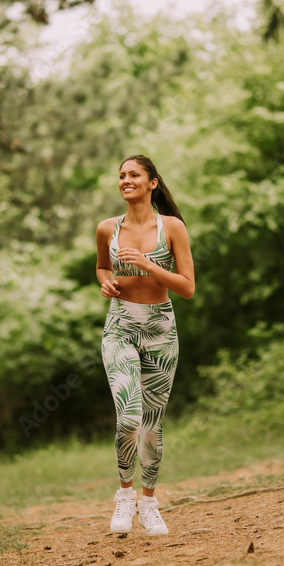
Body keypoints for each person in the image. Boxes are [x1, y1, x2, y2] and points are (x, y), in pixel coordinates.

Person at [94, 155, 195, 536]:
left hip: (161, 331)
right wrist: (106, 282)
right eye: (121, 175)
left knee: (152, 427)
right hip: (120, 327)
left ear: (152, 183)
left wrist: (150, 265)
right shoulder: (107, 228)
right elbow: (102, 267)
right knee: (129, 415)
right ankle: (124, 495)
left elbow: (187, 287)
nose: (125, 180)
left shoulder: (172, 228)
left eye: (133, 175)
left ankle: (149, 502)